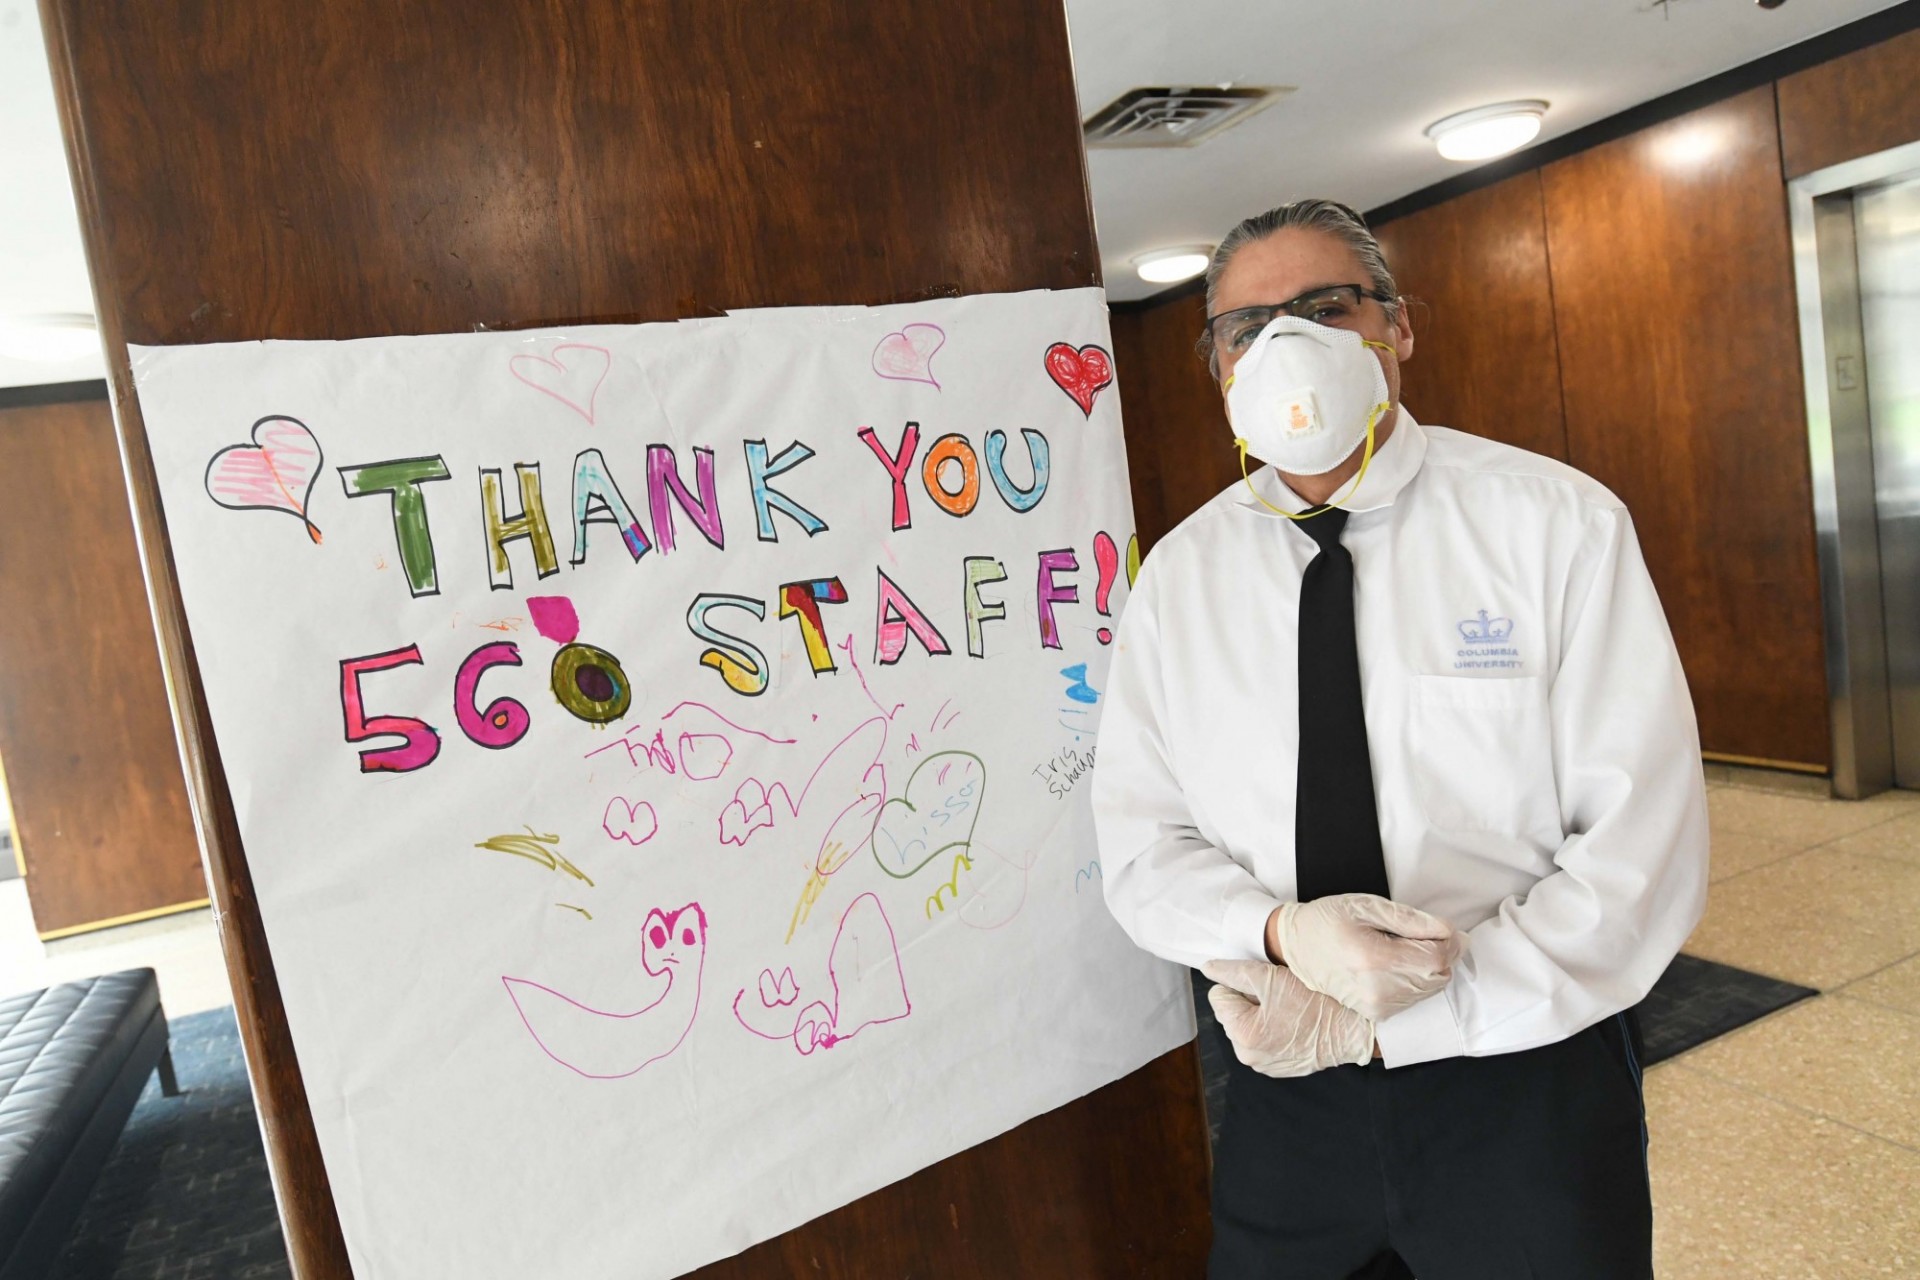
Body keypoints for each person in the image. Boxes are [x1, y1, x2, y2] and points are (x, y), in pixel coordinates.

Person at [1092, 199, 1709, 1280]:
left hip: (1524, 1074)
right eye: (1248, 327)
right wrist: (1276, 932)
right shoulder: (1180, 581)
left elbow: (1638, 861)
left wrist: (1397, 1023)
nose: (1290, 344)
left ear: (1398, 329)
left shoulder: (1555, 525)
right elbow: (1143, 845)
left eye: (1327, 307)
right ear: (1219, 368)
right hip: (1288, 1082)